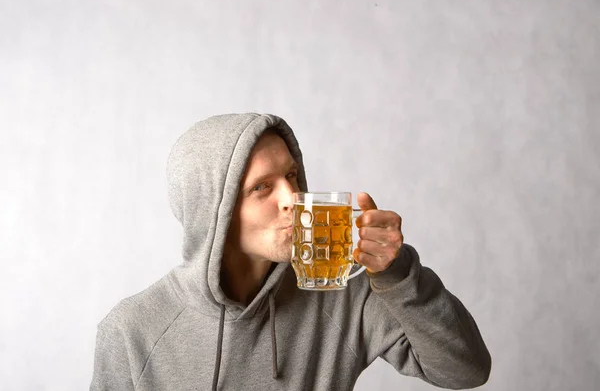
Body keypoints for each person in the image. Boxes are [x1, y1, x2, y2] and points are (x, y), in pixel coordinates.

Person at [90, 113, 491, 391]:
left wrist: (397, 275)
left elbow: (465, 371)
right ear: (215, 213)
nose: (293, 198)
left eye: (292, 175)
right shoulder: (131, 331)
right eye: (262, 187)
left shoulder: (343, 293)